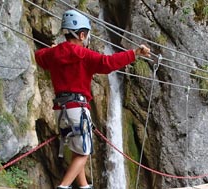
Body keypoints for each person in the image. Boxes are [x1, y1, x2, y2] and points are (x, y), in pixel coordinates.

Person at [34, 9, 151, 189]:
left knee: (77, 150)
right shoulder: (84, 55)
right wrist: (134, 53)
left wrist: (52, 51)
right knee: (84, 153)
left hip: (59, 111)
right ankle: (63, 187)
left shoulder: (52, 54)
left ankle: (84, 186)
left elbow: (39, 57)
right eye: (86, 35)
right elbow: (108, 63)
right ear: (81, 35)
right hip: (77, 110)